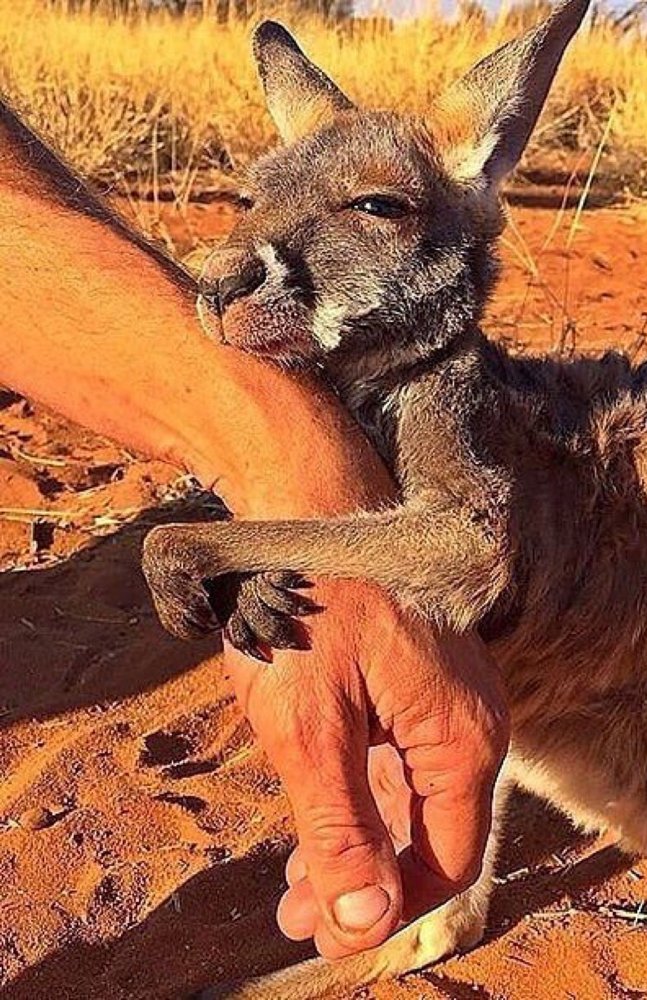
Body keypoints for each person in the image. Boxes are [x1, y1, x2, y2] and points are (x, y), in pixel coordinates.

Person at [0, 97, 507, 964]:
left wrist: (239, 543)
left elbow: (471, 543)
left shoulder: (447, 388)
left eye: (375, 208)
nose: (225, 261)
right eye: (254, 207)